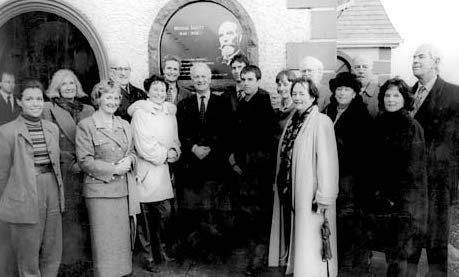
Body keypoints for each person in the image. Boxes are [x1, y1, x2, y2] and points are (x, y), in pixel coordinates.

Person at [268, 77, 339, 276]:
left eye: (302, 93)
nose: (297, 97)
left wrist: (325, 194)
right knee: (299, 237)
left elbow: (328, 161)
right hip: (292, 189)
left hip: (311, 192)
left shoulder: (321, 121)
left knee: (312, 240)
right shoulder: (294, 119)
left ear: (313, 96)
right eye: (295, 93)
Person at [0, 80, 65, 277]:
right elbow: (2, 175)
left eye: (39, 99)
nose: (35, 103)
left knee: (52, 249)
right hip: (24, 193)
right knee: (28, 254)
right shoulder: (6, 131)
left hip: (52, 188)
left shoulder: (51, 128)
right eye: (29, 99)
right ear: (19, 101)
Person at [76, 79, 140, 277]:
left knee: (121, 242)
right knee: (104, 245)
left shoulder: (124, 124)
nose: (112, 101)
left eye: (116, 98)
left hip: (122, 191)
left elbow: (132, 151)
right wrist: (114, 169)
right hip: (99, 193)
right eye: (108, 97)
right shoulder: (86, 125)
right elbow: (84, 161)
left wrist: (129, 160)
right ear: (98, 99)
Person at [408, 43, 459, 277]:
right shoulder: (407, 94)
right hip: (411, 185)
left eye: (421, 57)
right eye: (414, 57)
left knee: (437, 245)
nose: (415, 60)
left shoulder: (454, 94)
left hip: (438, 185)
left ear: (436, 62)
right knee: (410, 242)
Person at [176, 62, 233, 262]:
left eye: (204, 77)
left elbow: (228, 133)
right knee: (193, 213)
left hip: (214, 166)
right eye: (196, 77)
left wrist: (210, 149)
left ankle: (215, 254)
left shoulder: (223, 104)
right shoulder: (183, 105)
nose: (200, 80)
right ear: (192, 80)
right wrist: (193, 148)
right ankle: (195, 254)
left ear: (210, 79)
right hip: (191, 167)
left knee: (214, 212)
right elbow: (180, 133)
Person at [371, 77, 427, 276]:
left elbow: (413, 170)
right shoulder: (379, 123)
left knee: (399, 258)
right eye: (387, 95)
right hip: (383, 202)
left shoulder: (412, 127)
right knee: (389, 256)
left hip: (404, 204)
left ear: (405, 99)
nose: (391, 99)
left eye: (396, 95)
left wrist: (395, 199)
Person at [41, 69, 94, 272]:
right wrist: (71, 161)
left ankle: (84, 261)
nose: (69, 87)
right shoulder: (48, 108)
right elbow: (48, 141)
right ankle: (66, 263)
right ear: (57, 88)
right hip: (64, 170)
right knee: (67, 216)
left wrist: (86, 161)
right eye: (64, 84)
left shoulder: (88, 109)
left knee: (85, 215)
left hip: (87, 168)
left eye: (72, 83)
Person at [127, 75, 180, 272]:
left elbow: (175, 139)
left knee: (165, 214)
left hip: (164, 170)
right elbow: (144, 146)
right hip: (147, 170)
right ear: (147, 91)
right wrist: (166, 154)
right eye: (155, 88)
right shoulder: (140, 113)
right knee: (147, 220)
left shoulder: (169, 113)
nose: (159, 92)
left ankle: (162, 251)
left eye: (162, 89)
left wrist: (174, 151)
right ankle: (149, 256)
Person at [323, 72, 373, 276]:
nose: (342, 93)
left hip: (350, 180)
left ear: (354, 93)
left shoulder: (362, 116)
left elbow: (363, 154)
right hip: (330, 175)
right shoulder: (329, 111)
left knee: (349, 223)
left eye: (347, 89)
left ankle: (351, 268)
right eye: (339, 89)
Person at [231, 65, 277, 275]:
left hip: (258, 172)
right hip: (243, 170)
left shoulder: (263, 103)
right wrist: (235, 161)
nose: (246, 83)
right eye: (244, 79)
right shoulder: (243, 101)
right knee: (247, 218)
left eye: (251, 79)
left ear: (258, 81)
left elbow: (266, 142)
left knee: (259, 219)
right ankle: (251, 259)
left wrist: (247, 164)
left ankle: (258, 263)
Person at [110, 57, 147, 122]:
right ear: (111, 72)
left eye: (126, 69)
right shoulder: (106, 94)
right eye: (119, 69)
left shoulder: (140, 93)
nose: (123, 73)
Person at [271, 69, 296, 137]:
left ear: (293, 86)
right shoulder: (276, 106)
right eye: (279, 85)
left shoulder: (296, 109)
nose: (281, 88)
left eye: (285, 84)